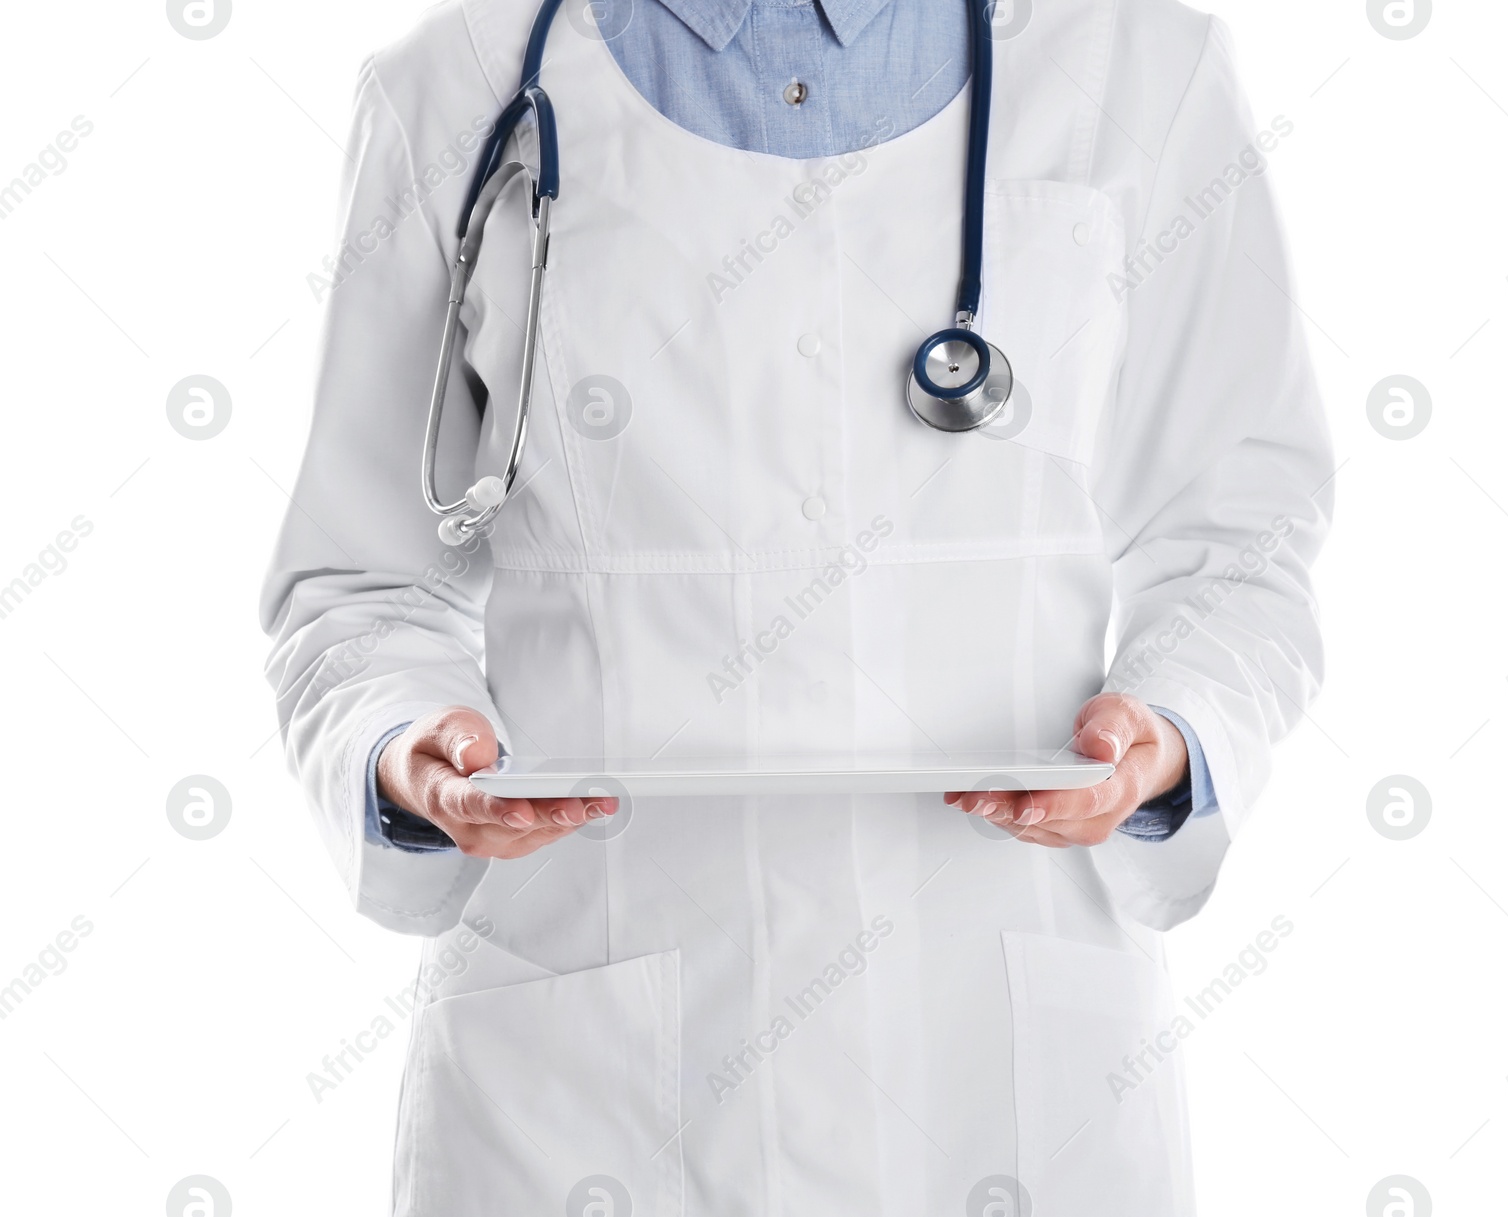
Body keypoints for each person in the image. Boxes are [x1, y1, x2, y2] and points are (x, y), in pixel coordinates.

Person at [261, 0, 1332, 1212]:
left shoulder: (1139, 61)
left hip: (1003, 1058)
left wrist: (1171, 730)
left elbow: (1238, 538)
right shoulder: (455, 85)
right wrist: (405, 743)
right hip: (584, 1071)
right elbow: (361, 581)